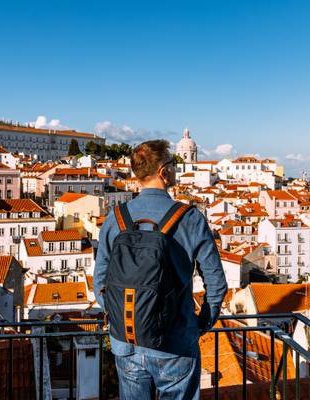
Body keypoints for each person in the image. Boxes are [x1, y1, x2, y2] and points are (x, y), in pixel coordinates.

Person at [94, 139, 228, 400]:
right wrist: (199, 325)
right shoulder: (189, 218)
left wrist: (123, 317)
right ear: (164, 171)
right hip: (175, 342)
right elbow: (216, 283)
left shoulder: (116, 217)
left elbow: (100, 281)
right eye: (173, 164)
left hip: (127, 342)